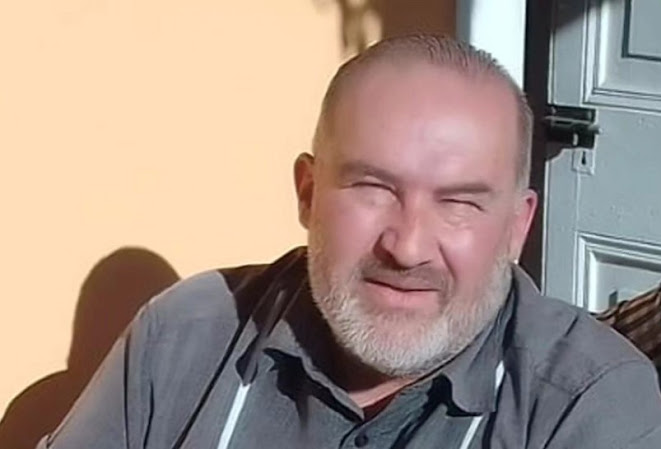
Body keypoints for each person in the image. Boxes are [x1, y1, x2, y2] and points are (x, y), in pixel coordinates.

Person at [37, 35, 661, 449]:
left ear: (517, 228)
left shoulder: (587, 402)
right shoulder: (183, 337)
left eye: (459, 203)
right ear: (307, 193)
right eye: (373, 188)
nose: (407, 247)